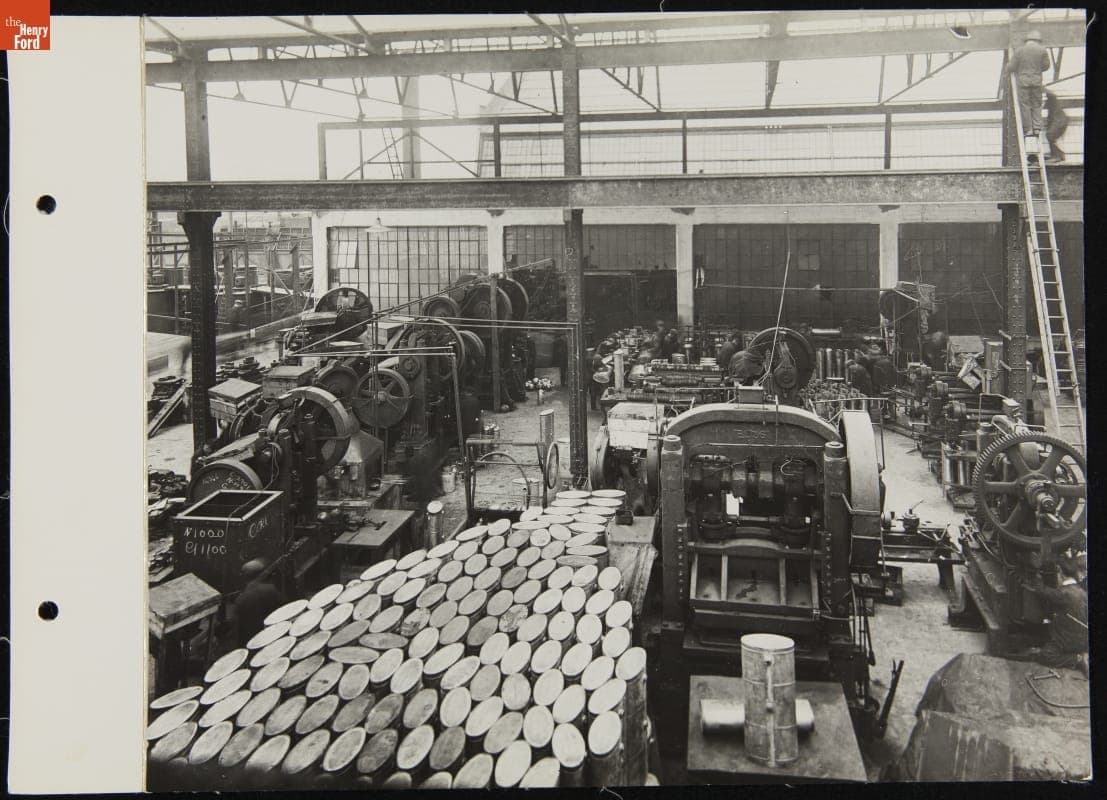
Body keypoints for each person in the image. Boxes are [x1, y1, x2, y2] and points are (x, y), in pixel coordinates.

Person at [1017, 553, 1088, 675]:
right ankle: (1082, 653)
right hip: (1084, 639)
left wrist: (1036, 570)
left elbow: (1040, 589)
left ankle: (1078, 659)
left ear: (1059, 572)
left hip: (1069, 640)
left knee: (1046, 655)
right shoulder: (1082, 592)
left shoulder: (1064, 594)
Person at [231, 559, 286, 645]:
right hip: (274, 636)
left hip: (254, 642)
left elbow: (238, 631)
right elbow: (283, 611)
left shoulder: (240, 600)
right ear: (260, 574)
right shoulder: (270, 589)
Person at [1006, 30, 1050, 138]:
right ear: (1038, 40)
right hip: (1036, 81)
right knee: (1036, 104)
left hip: (1023, 82)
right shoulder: (1042, 50)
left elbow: (1011, 67)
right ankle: (1037, 128)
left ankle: (1028, 129)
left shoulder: (1019, 51)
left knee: (1025, 105)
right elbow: (1046, 66)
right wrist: (1036, 69)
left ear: (1027, 40)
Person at [1044, 90, 1070, 163]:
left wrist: (1043, 89)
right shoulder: (1052, 106)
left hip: (1060, 122)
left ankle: (1057, 155)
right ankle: (1057, 155)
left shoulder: (1053, 102)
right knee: (1050, 137)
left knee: (1049, 136)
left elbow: (1052, 95)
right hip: (1060, 121)